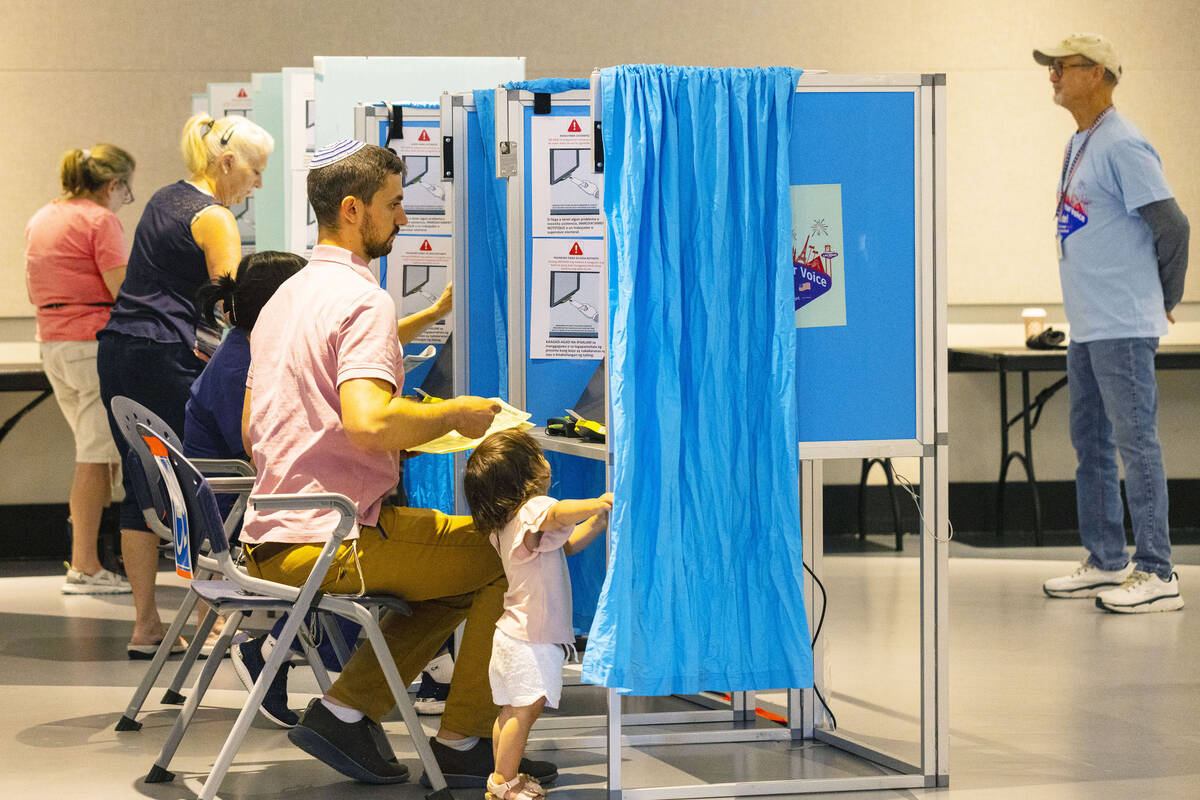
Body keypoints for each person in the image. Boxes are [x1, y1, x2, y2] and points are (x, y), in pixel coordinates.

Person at [239, 139, 557, 787]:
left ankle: (344, 713)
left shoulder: (287, 298)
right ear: (354, 210)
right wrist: (455, 414)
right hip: (335, 540)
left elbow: (256, 429)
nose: (405, 218)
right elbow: (368, 421)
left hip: (270, 534)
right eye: (396, 203)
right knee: (513, 552)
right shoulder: (364, 301)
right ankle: (464, 741)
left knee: (454, 574)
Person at [97, 113, 274, 658]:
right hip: (168, 353)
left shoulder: (163, 198)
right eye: (256, 169)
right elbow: (234, 303)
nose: (258, 183)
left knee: (143, 477)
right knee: (196, 477)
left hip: (120, 349)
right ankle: (212, 620)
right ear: (227, 163)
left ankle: (146, 625)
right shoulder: (215, 216)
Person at [1034, 34, 1189, 613]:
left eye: (1062, 67)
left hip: (1123, 322)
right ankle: (1106, 560)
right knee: (1091, 443)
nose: (1051, 75)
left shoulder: (1123, 144)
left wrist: (1164, 295)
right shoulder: (1081, 141)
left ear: (1097, 73)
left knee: (1135, 444)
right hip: (1091, 322)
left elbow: (1173, 228)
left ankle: (1158, 572)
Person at [462, 429, 611, 800]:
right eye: (537, 454)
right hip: (530, 638)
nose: (545, 460)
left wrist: (598, 522)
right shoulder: (532, 510)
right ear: (526, 474)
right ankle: (503, 782)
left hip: (515, 635)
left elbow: (569, 544)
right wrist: (595, 503)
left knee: (511, 712)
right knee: (524, 713)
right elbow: (558, 513)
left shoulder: (508, 524)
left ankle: (503, 775)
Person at [25, 144, 136, 595]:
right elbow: (121, 289)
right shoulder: (99, 220)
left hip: (53, 343)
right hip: (91, 344)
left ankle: (87, 559)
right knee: (94, 460)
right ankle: (86, 566)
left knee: (96, 455)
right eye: (125, 187)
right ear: (112, 185)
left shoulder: (43, 217)